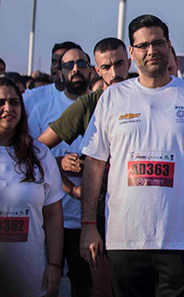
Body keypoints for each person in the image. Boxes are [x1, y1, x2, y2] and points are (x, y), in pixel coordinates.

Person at [79, 14, 184, 297]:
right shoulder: (113, 98)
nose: (152, 51)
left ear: (169, 45)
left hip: (179, 241)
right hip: (123, 241)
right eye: (143, 45)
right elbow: (93, 165)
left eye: (158, 43)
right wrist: (89, 226)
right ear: (131, 52)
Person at [28, 46, 95, 297]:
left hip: (89, 219)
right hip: (51, 218)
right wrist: (60, 163)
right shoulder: (42, 108)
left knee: (86, 288)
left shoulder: (102, 105)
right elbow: (32, 157)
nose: (75, 69)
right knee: (48, 286)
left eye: (81, 63)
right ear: (59, 72)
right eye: (69, 65)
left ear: (91, 69)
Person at [0, 77, 65, 297]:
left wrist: (55, 266)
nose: (8, 108)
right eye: (1, 102)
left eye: (14, 102)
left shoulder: (40, 154)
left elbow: (54, 215)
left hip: (30, 276)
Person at [24, 41, 81, 112]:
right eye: (54, 62)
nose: (56, 66)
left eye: (62, 62)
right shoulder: (32, 97)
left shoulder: (92, 101)